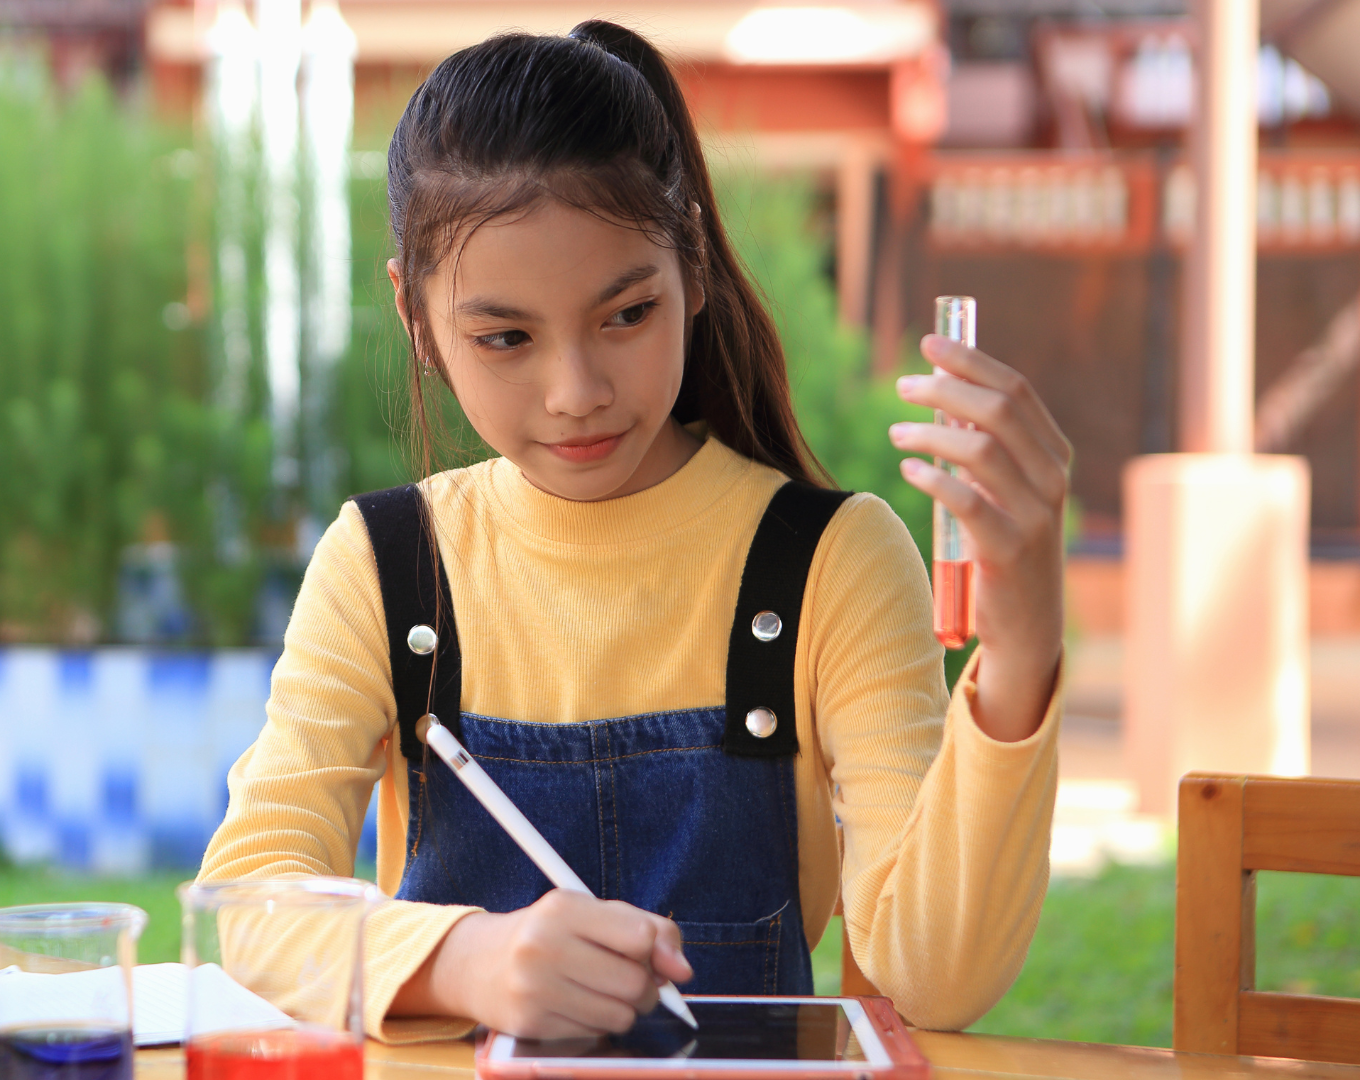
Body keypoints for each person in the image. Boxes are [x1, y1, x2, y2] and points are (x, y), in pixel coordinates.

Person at [197, 20, 1070, 1044]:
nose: (576, 392)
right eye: (506, 338)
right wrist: (469, 961)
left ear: (691, 266)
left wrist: (1021, 644)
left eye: (625, 314)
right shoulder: (388, 568)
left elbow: (932, 986)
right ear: (417, 318)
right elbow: (247, 902)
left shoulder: (831, 562)